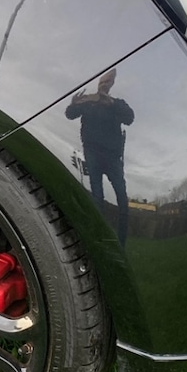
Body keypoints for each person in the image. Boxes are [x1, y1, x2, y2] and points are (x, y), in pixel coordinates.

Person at [64, 69, 134, 244]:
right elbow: (70, 114)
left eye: (107, 82)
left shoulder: (116, 103)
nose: (104, 85)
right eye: (102, 81)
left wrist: (111, 103)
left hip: (113, 157)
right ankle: (97, 237)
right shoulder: (89, 101)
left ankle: (121, 243)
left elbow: (129, 118)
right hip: (92, 153)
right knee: (97, 196)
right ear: (98, 83)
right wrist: (73, 103)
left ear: (112, 84)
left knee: (122, 199)